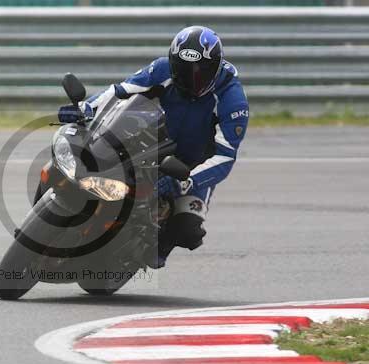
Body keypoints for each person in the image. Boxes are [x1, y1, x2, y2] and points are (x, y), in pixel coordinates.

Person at [58, 26, 249, 268]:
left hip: (192, 167)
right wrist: (87, 107)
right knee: (96, 159)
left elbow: (225, 156)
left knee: (187, 229)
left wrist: (191, 180)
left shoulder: (233, 100)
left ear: (216, 67)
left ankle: (149, 251)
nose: (191, 78)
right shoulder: (162, 68)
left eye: (200, 72)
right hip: (153, 143)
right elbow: (122, 90)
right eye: (183, 70)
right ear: (173, 61)